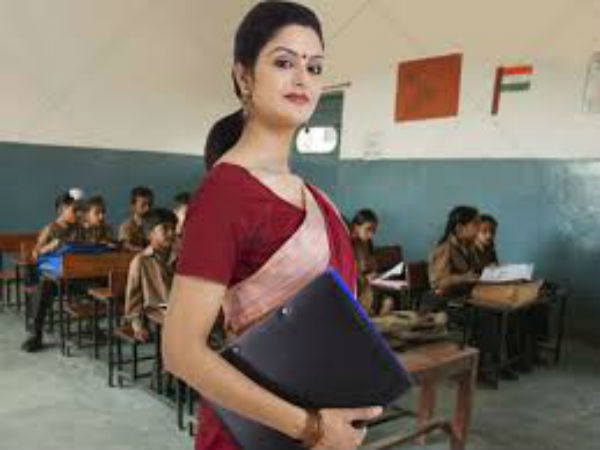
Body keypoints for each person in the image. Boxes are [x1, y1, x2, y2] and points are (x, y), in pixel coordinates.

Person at [162, 3, 382, 450]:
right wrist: (311, 428)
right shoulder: (224, 192)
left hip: (324, 420)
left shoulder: (316, 197)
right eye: (284, 62)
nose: (303, 79)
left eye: (314, 67)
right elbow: (181, 352)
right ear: (244, 77)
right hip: (256, 434)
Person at [22, 193, 78, 352]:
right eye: (73, 210)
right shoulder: (50, 228)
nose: (77, 213)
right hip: (55, 278)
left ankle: (92, 325)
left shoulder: (77, 228)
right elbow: (35, 253)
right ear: (61, 210)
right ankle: (36, 335)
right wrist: (50, 246)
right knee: (43, 288)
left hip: (76, 275)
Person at [124, 208, 177, 342]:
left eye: (173, 228)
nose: (171, 233)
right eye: (165, 229)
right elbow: (133, 299)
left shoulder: (180, 256)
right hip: (156, 314)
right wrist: (138, 327)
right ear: (150, 234)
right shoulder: (141, 261)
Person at [118, 186, 154, 252]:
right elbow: (125, 245)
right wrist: (144, 251)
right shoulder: (126, 226)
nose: (147, 208)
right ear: (133, 206)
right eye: (143, 205)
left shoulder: (154, 225)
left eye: (150, 205)